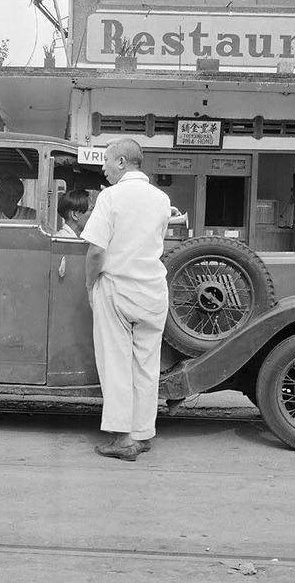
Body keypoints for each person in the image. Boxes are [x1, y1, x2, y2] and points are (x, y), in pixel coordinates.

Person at [81, 138, 171, 462]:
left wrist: (90, 285)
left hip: (118, 288)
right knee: (147, 366)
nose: (103, 168)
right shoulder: (162, 199)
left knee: (116, 363)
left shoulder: (111, 197)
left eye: (106, 161)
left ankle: (121, 439)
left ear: (121, 162)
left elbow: (95, 251)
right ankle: (143, 434)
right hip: (153, 291)